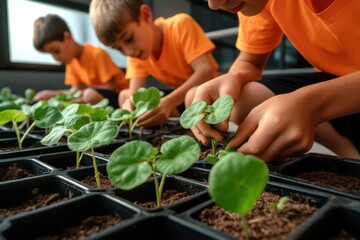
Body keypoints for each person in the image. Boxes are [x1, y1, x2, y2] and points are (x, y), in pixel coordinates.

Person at [187, 0, 360, 162]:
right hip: (336, 83)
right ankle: (347, 148)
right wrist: (234, 77)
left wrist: (311, 104)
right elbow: (250, 62)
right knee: (245, 99)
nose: (214, 4)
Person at [89, 0, 219, 127]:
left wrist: (168, 102)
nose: (128, 52)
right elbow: (135, 92)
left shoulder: (180, 25)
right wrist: (130, 101)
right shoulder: (136, 54)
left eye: (129, 38)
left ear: (145, 15)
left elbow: (205, 72)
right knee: (126, 96)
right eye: (118, 49)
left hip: (211, 93)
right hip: (180, 98)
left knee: (191, 95)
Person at [32, 14, 128, 108]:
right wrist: (50, 94)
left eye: (56, 51)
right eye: (51, 54)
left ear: (67, 37)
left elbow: (111, 87)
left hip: (119, 97)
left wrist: (76, 100)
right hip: (96, 98)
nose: (55, 58)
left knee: (89, 95)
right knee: (87, 95)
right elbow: (76, 90)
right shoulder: (71, 62)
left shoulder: (96, 54)